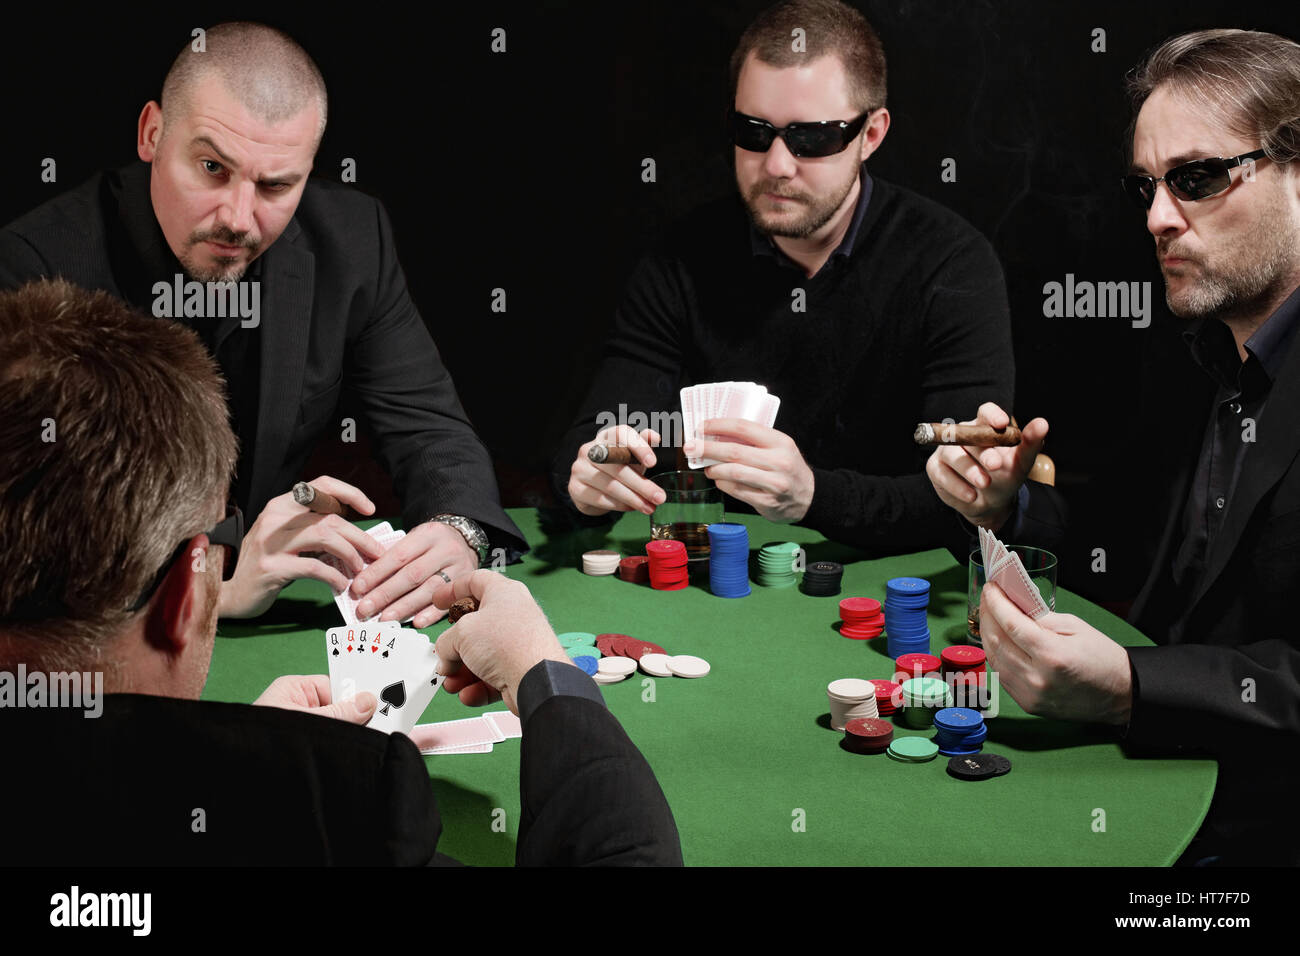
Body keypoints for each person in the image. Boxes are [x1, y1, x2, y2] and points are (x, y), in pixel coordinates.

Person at [0, 279, 682, 866]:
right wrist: (545, 673)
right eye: (220, 530)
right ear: (184, 593)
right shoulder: (350, 809)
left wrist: (235, 759)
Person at [0, 21, 523, 629]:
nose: (238, 219)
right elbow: (28, 531)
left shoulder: (353, 243)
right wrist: (211, 583)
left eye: (276, 185)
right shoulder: (33, 269)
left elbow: (431, 428)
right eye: (211, 168)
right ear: (151, 134)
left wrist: (459, 531)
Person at [925, 30, 1300, 865]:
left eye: (1199, 179)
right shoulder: (1202, 351)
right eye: (1147, 187)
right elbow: (1137, 548)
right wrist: (1006, 504)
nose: (1160, 218)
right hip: (1146, 793)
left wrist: (1134, 688)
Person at [554, 0, 1013, 555]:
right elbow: (587, 445)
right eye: (752, 132)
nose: (776, 164)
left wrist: (814, 496)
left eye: (811, 139)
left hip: (886, 587)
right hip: (712, 589)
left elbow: (967, 506)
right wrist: (589, 477)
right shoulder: (681, 258)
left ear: (871, 134)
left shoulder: (951, 264)